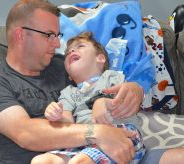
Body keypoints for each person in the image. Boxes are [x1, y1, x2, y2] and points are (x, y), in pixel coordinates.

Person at [0, 0, 184, 164]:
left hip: (111, 150)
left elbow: (107, 78)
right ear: (21, 35)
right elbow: (25, 133)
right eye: (49, 35)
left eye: (57, 35)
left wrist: (134, 89)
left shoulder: (63, 65)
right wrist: (96, 133)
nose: (58, 43)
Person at [31, 32, 146, 164]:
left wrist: (103, 102)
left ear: (100, 59)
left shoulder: (111, 77)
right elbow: (67, 124)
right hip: (83, 142)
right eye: (68, 52)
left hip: (122, 135)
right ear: (69, 75)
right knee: (41, 160)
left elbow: (128, 101)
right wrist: (54, 114)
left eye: (80, 46)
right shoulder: (68, 93)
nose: (72, 50)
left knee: (82, 161)